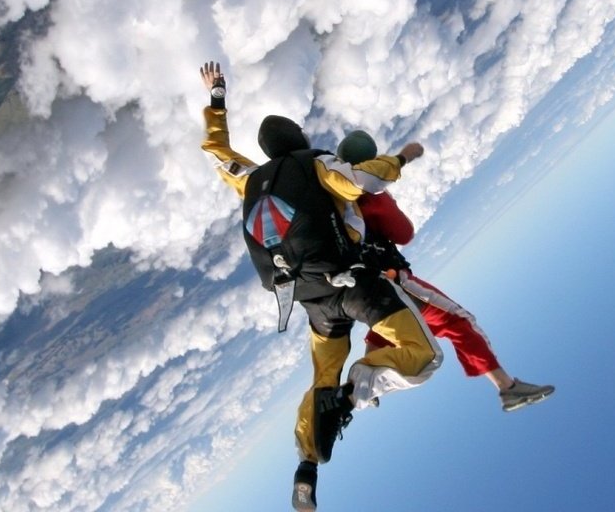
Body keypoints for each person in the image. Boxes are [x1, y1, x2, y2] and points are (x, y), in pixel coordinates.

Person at [197, 62, 442, 511]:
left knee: (321, 379)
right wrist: (403, 158)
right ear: (299, 140)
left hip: (311, 303)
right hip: (355, 285)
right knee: (423, 356)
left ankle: (306, 468)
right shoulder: (314, 163)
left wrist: (217, 99)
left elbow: (216, 152)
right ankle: (355, 392)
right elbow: (361, 182)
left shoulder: (250, 179)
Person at [338, 130, 555, 412]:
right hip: (392, 279)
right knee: (458, 322)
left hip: (362, 285)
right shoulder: (371, 196)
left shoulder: (336, 195)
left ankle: (358, 388)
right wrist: (386, 199)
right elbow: (403, 233)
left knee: (389, 328)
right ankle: (507, 387)